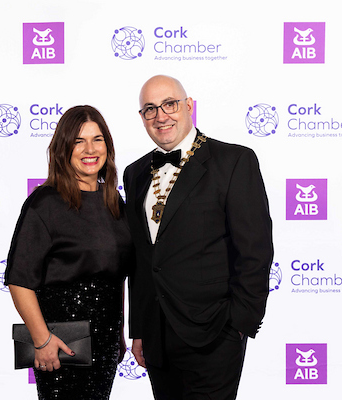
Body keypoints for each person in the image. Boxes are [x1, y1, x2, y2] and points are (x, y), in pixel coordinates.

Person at [123, 75, 274, 400]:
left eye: (169, 104)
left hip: (215, 334)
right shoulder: (134, 173)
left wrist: (239, 324)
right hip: (157, 337)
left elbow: (255, 250)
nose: (160, 116)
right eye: (150, 109)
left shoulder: (233, 161)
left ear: (189, 106)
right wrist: (140, 329)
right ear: (142, 117)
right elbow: (142, 260)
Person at [5, 105, 133, 400]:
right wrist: (41, 339)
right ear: (64, 149)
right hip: (60, 344)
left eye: (97, 139)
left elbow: (117, 276)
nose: (90, 149)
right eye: (79, 141)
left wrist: (119, 334)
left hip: (106, 342)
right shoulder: (45, 203)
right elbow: (19, 280)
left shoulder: (115, 203)